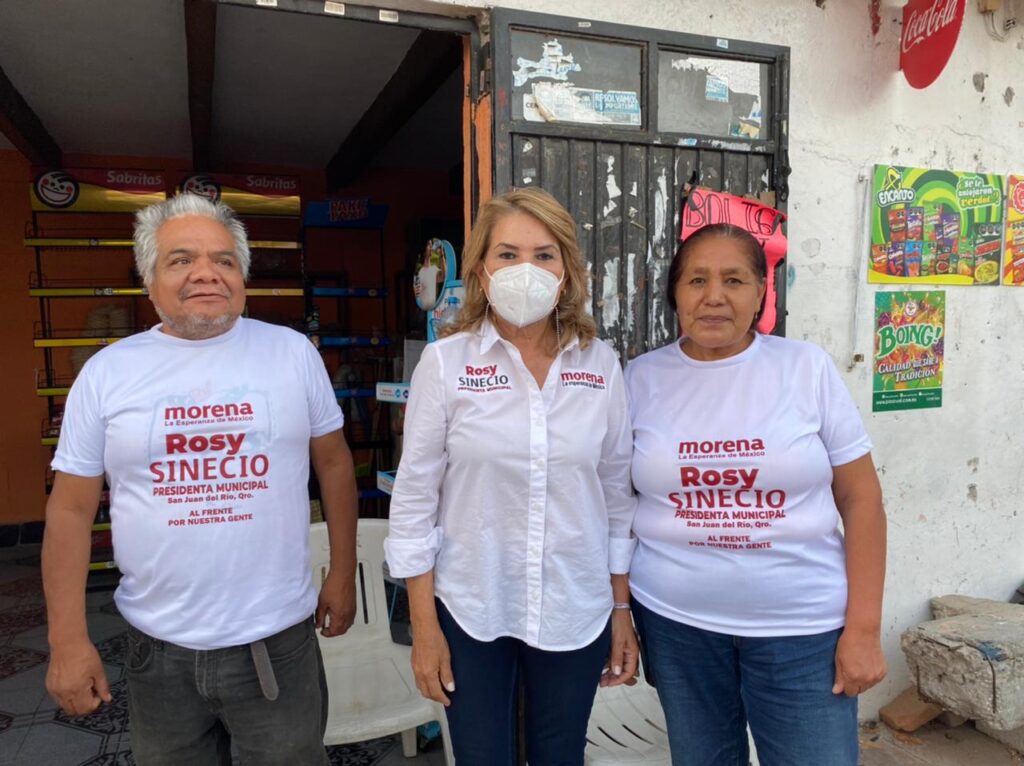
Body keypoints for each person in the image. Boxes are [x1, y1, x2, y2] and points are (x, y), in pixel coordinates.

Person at [42, 193, 359, 765]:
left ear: (243, 276)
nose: (206, 273)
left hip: (277, 641)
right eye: (181, 259)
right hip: (158, 650)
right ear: (149, 279)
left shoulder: (292, 354)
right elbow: (69, 509)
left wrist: (341, 572)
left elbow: (333, 463)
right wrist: (66, 638)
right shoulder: (106, 373)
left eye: (224, 260)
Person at [384, 187, 638, 765]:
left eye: (545, 255)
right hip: (471, 607)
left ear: (569, 272)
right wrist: (423, 628)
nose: (527, 269)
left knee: (561, 755)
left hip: (577, 607)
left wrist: (621, 610)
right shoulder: (446, 364)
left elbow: (617, 496)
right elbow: (415, 500)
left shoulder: (600, 364)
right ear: (480, 269)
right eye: (508, 254)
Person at [625, 223, 887, 766]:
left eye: (734, 280)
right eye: (696, 279)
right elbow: (614, 504)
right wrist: (620, 610)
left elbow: (861, 500)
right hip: (678, 629)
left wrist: (862, 628)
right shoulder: (638, 379)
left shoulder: (805, 369)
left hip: (802, 633)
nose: (714, 296)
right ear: (673, 292)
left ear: (761, 292)